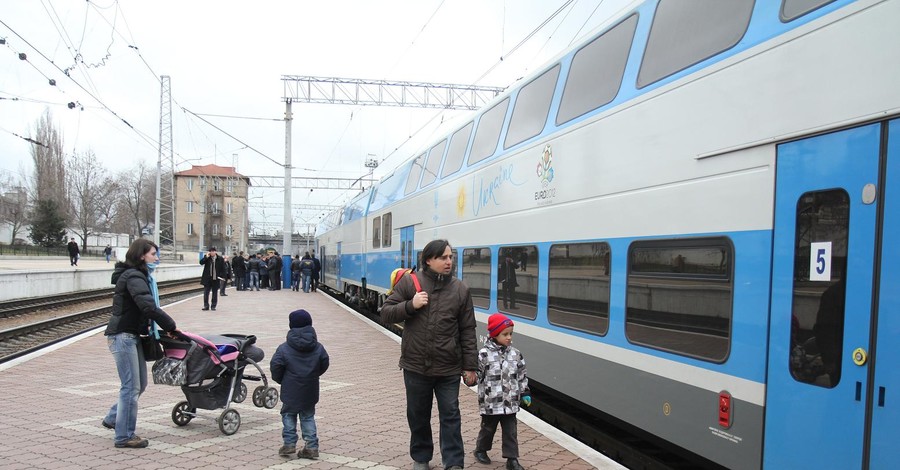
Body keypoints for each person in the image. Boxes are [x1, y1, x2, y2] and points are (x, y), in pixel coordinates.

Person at [381, 239, 478, 470]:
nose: (448, 261)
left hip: (448, 367)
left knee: (451, 415)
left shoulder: (460, 289)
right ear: (428, 260)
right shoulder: (409, 283)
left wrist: (470, 366)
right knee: (418, 414)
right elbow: (386, 313)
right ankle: (421, 458)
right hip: (416, 366)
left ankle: (453, 462)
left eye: (450, 257)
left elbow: (468, 330)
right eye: (443, 257)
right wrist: (410, 305)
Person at [102, 238, 179, 449]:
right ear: (141, 255)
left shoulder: (139, 275)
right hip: (123, 336)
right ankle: (124, 436)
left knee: (139, 385)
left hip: (132, 335)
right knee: (130, 387)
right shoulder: (134, 276)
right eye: (153, 254)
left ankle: (112, 418)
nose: (157, 258)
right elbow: (148, 306)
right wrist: (171, 326)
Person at [472, 314, 530, 470]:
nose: (509, 337)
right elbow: (478, 374)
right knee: (488, 428)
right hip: (491, 402)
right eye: (505, 334)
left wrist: (525, 393)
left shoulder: (516, 354)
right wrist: (470, 377)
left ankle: (512, 459)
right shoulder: (483, 354)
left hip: (510, 402)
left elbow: (521, 375)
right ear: (494, 334)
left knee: (511, 432)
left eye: (511, 333)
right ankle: (481, 449)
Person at [271, 309, 330, 460]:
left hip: (290, 390)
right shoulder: (318, 347)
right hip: (309, 390)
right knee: (308, 416)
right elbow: (324, 363)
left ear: (291, 326)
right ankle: (311, 447)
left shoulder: (284, 348)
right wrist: (312, 375)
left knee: (288, 414)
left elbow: (276, 366)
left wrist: (281, 380)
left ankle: (289, 443)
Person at [200, 246, 225, 311]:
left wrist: (223, 276)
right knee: (206, 293)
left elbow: (223, 268)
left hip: (215, 279)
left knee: (215, 293)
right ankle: (206, 305)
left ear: (215, 252)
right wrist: (206, 257)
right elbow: (201, 262)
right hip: (207, 278)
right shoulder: (207, 258)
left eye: (213, 251)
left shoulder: (220, 259)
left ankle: (213, 306)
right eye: (210, 251)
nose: (212, 253)